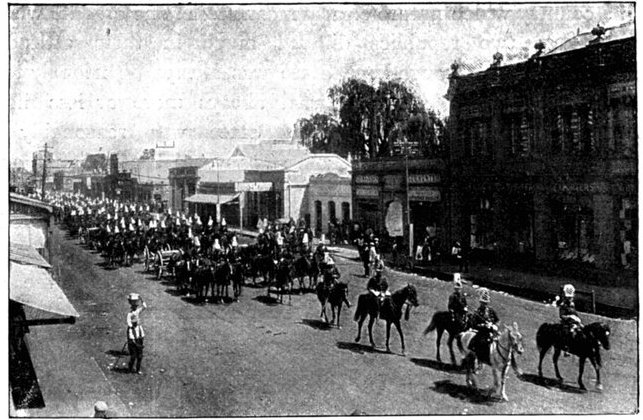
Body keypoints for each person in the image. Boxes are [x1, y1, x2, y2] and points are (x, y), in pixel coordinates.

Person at [468, 288, 499, 366]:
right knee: (480, 344)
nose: (484, 305)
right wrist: (484, 325)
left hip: (492, 332)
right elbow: (474, 325)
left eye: (486, 303)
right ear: (480, 302)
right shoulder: (477, 312)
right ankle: (480, 359)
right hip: (482, 333)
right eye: (483, 303)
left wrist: (493, 325)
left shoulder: (491, 311)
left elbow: (497, 320)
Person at [557, 283, 583, 356]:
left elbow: (574, 313)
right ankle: (567, 349)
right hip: (566, 323)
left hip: (574, 322)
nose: (570, 299)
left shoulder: (572, 305)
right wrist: (569, 317)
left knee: (582, 330)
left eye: (571, 297)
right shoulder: (563, 305)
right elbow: (561, 316)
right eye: (568, 298)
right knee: (571, 332)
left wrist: (577, 319)